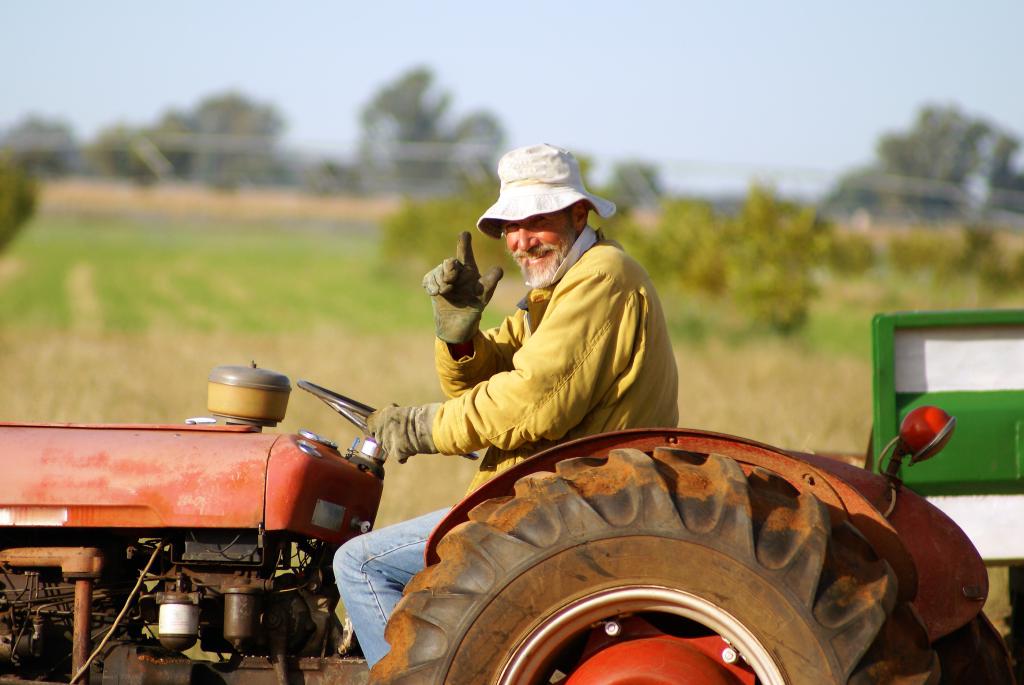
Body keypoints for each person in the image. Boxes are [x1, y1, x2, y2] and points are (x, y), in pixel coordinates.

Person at [334, 143, 679, 668]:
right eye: (510, 226)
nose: (520, 240)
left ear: (578, 213)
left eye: (535, 220)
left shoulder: (600, 277)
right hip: (557, 494)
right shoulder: (557, 287)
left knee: (361, 564)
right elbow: (493, 374)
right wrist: (460, 338)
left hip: (574, 501)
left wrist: (418, 428)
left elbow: (529, 402)